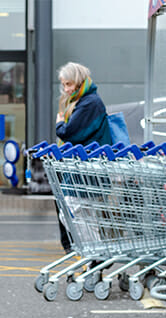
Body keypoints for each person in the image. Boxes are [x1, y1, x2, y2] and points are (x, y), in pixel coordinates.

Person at [54, 62, 111, 254]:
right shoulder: (84, 101)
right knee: (80, 215)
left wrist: (60, 124)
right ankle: (93, 255)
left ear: (79, 82)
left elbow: (71, 132)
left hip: (88, 168)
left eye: (69, 84)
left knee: (73, 211)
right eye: (64, 84)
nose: (66, 89)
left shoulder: (89, 103)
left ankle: (94, 254)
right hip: (85, 168)